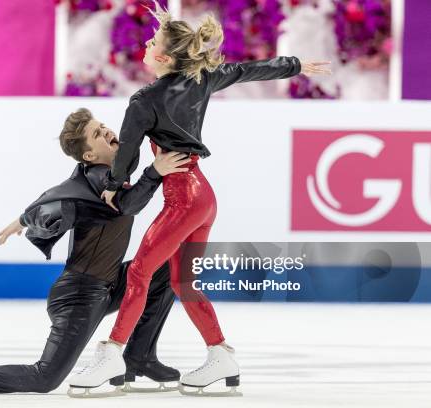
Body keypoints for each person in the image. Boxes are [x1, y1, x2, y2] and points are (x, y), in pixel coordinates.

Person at [69, 3, 331, 397]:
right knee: (183, 282)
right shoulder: (202, 78)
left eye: (152, 40)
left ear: (162, 56)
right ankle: (221, 356)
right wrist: (294, 65)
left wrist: (116, 184)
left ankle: (112, 356)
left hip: (182, 200)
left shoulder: (143, 100)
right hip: (203, 196)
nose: (145, 42)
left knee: (140, 273)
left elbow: (126, 155)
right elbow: (245, 71)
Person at [0, 108, 192, 396]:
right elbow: (126, 204)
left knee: (169, 267)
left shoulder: (108, 173)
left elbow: (65, 190)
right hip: (79, 296)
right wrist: (155, 172)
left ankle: (139, 356)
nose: (107, 131)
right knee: (45, 377)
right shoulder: (98, 179)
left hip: (111, 283)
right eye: (97, 133)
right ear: (89, 157)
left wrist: (22, 219)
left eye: (103, 126)